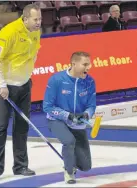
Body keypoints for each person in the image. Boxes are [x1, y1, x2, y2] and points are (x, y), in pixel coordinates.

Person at [0, 3, 42, 182]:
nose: (39, 23)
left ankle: (20, 166)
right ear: (25, 19)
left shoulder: (36, 31)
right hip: (6, 87)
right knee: (0, 128)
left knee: (21, 127)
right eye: (35, 19)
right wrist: (1, 84)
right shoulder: (8, 32)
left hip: (24, 85)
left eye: (40, 19)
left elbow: (33, 53)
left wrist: (28, 74)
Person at [43, 52, 96, 184]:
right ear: (74, 64)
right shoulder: (56, 80)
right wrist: (67, 115)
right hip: (57, 120)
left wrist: (86, 115)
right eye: (85, 64)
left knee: (85, 166)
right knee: (69, 141)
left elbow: (91, 105)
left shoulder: (90, 82)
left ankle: (72, 161)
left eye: (89, 64)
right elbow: (47, 106)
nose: (88, 67)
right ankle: (69, 170)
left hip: (77, 123)